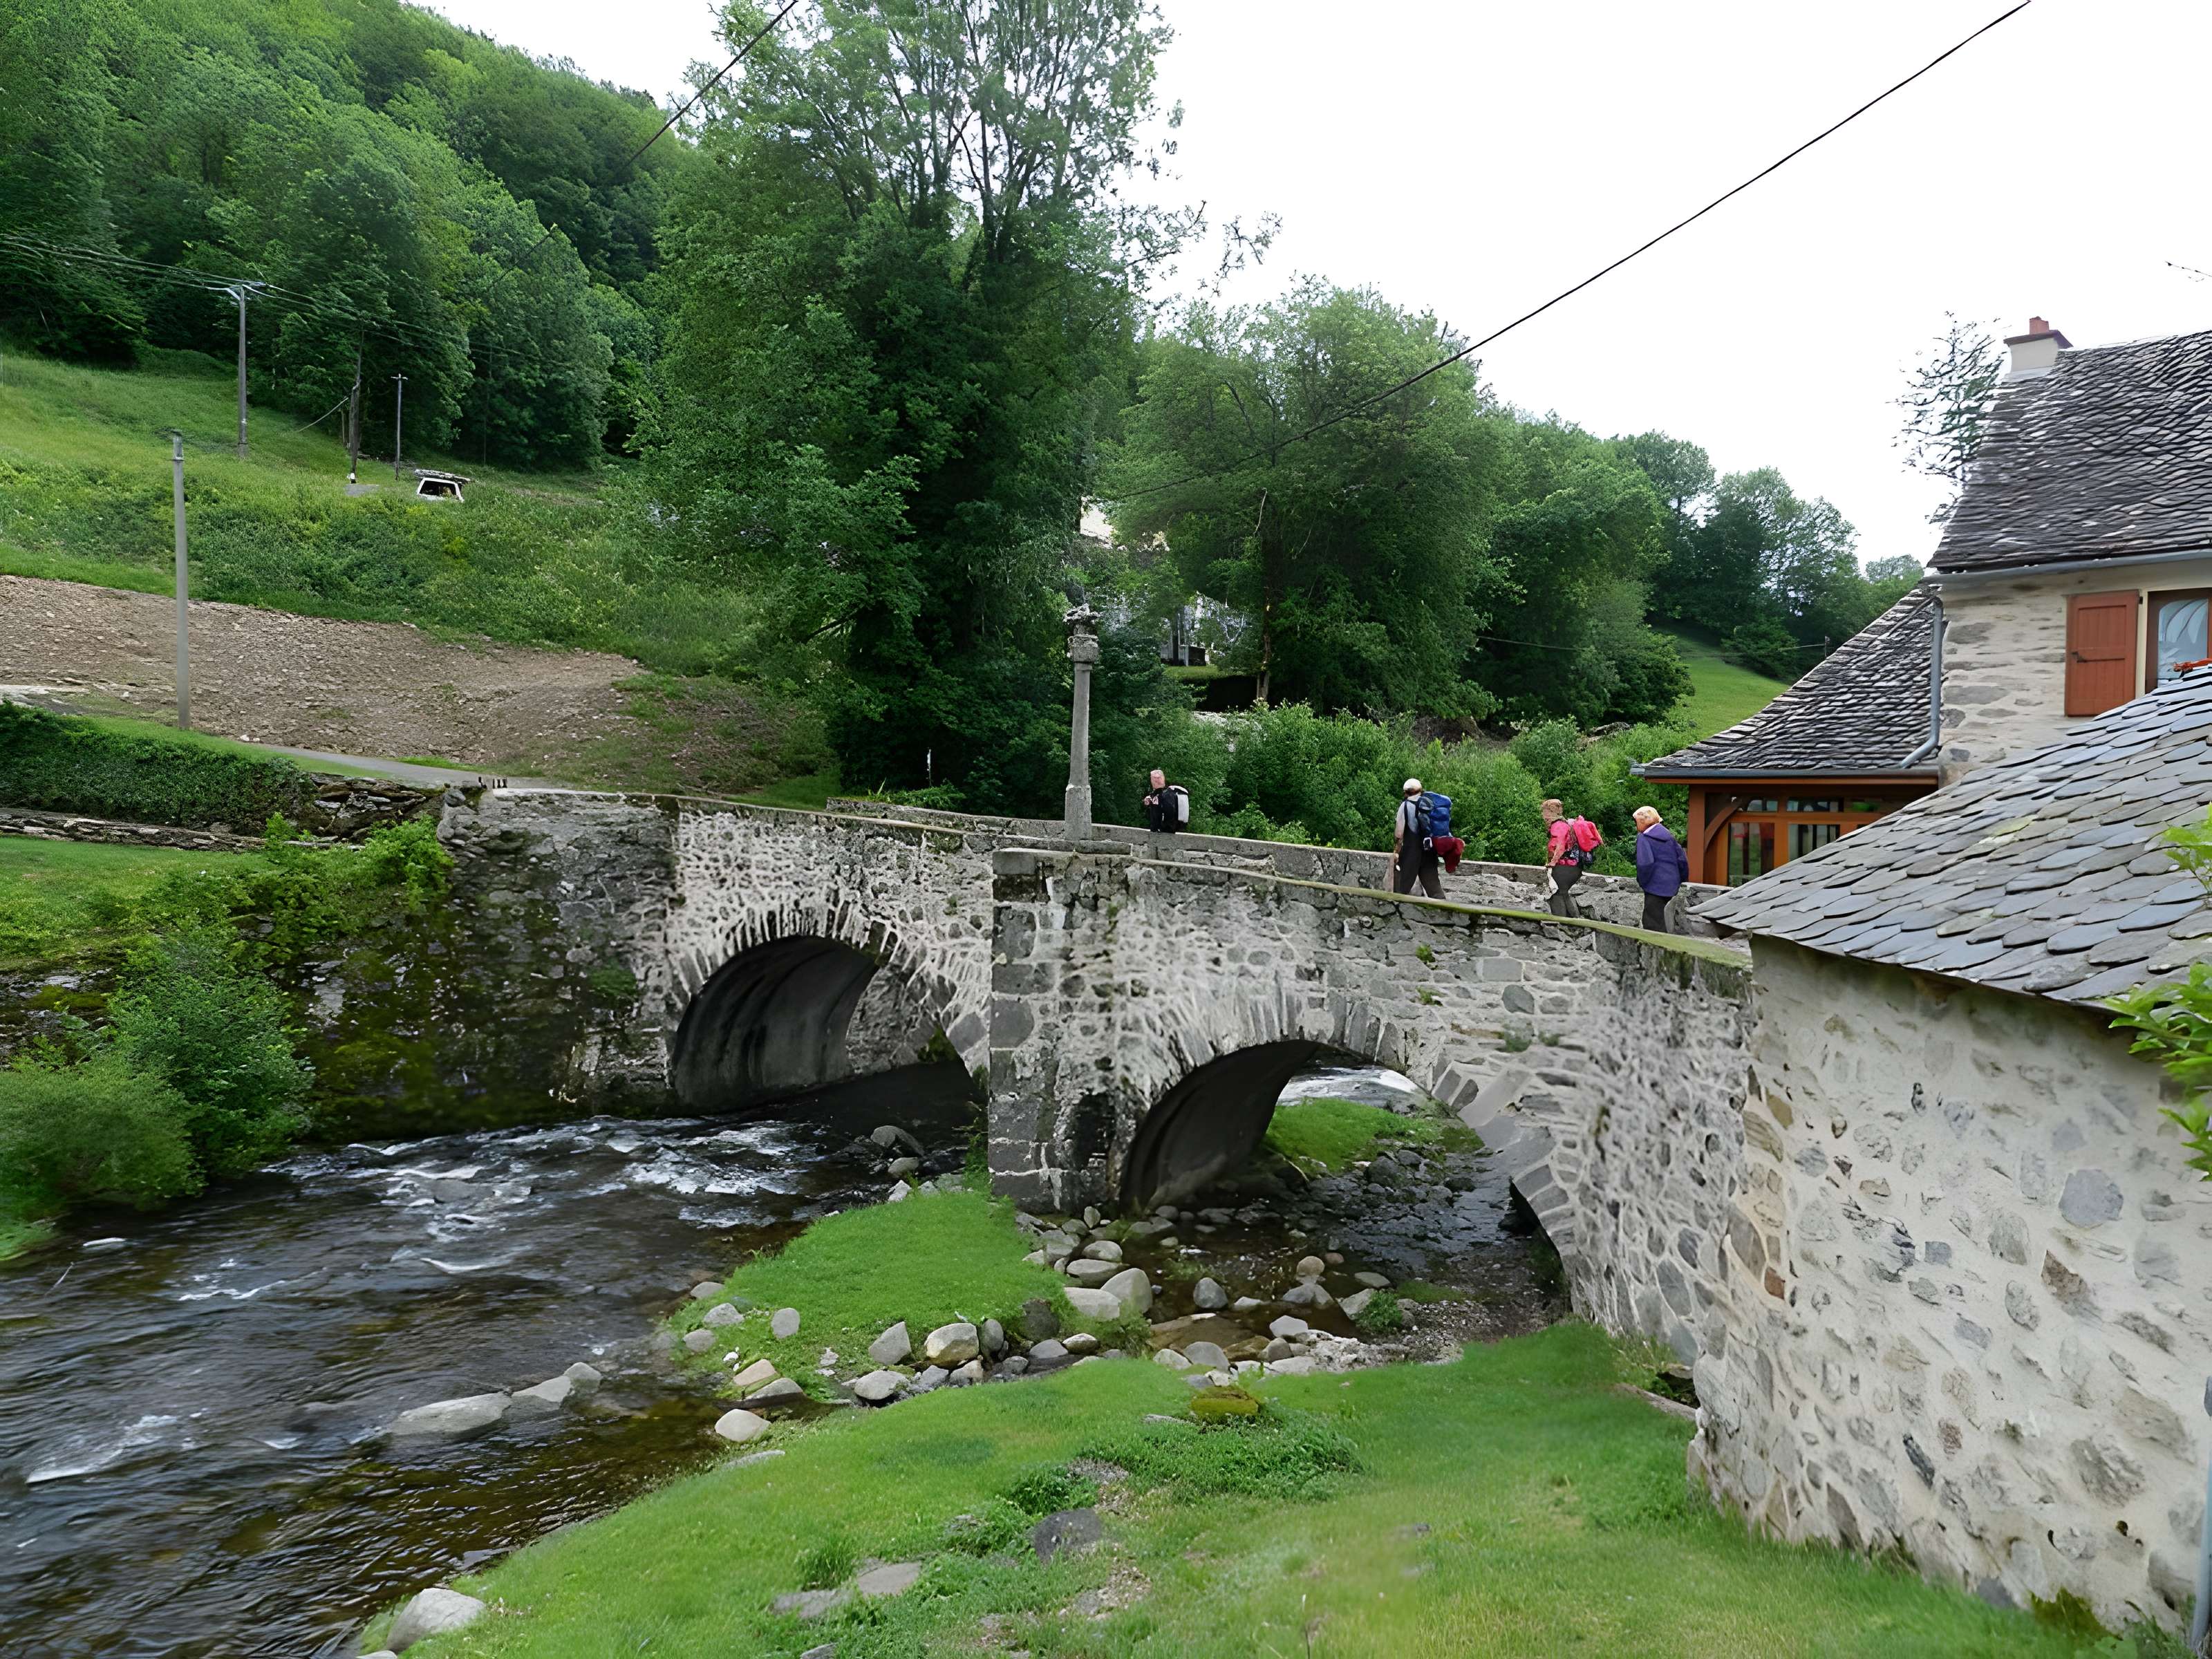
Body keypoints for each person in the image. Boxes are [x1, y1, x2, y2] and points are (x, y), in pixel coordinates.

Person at [1633, 805, 1689, 932]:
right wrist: (1682, 880)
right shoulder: (1669, 836)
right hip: (1673, 885)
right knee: (1668, 921)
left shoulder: (1644, 837)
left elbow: (1645, 863)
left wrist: (1643, 881)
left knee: (1652, 923)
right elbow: (1682, 860)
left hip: (1654, 886)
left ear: (1642, 821)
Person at [1540, 798, 1592, 919]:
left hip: (1565, 867)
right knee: (1563, 893)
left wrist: (1552, 862)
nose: (1543, 815)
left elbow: (1561, 845)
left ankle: (1563, 922)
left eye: (1544, 811)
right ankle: (1573, 922)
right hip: (1572, 866)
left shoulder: (1558, 826)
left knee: (1558, 894)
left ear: (1551, 811)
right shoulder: (1563, 824)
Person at [1393, 778, 1444, 898]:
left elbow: (1399, 834)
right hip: (1429, 850)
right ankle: (1443, 911)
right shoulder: (1429, 803)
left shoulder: (1405, 806)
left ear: (1406, 792)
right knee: (1434, 888)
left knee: (1401, 886)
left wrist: (1396, 850)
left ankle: (1396, 911)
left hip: (1411, 851)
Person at [1141, 769, 1188, 835]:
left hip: (1165, 832)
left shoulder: (1164, 795)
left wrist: (1163, 827)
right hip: (1170, 830)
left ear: (1155, 780)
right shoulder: (1167, 793)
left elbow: (1167, 811)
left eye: (1151, 778)